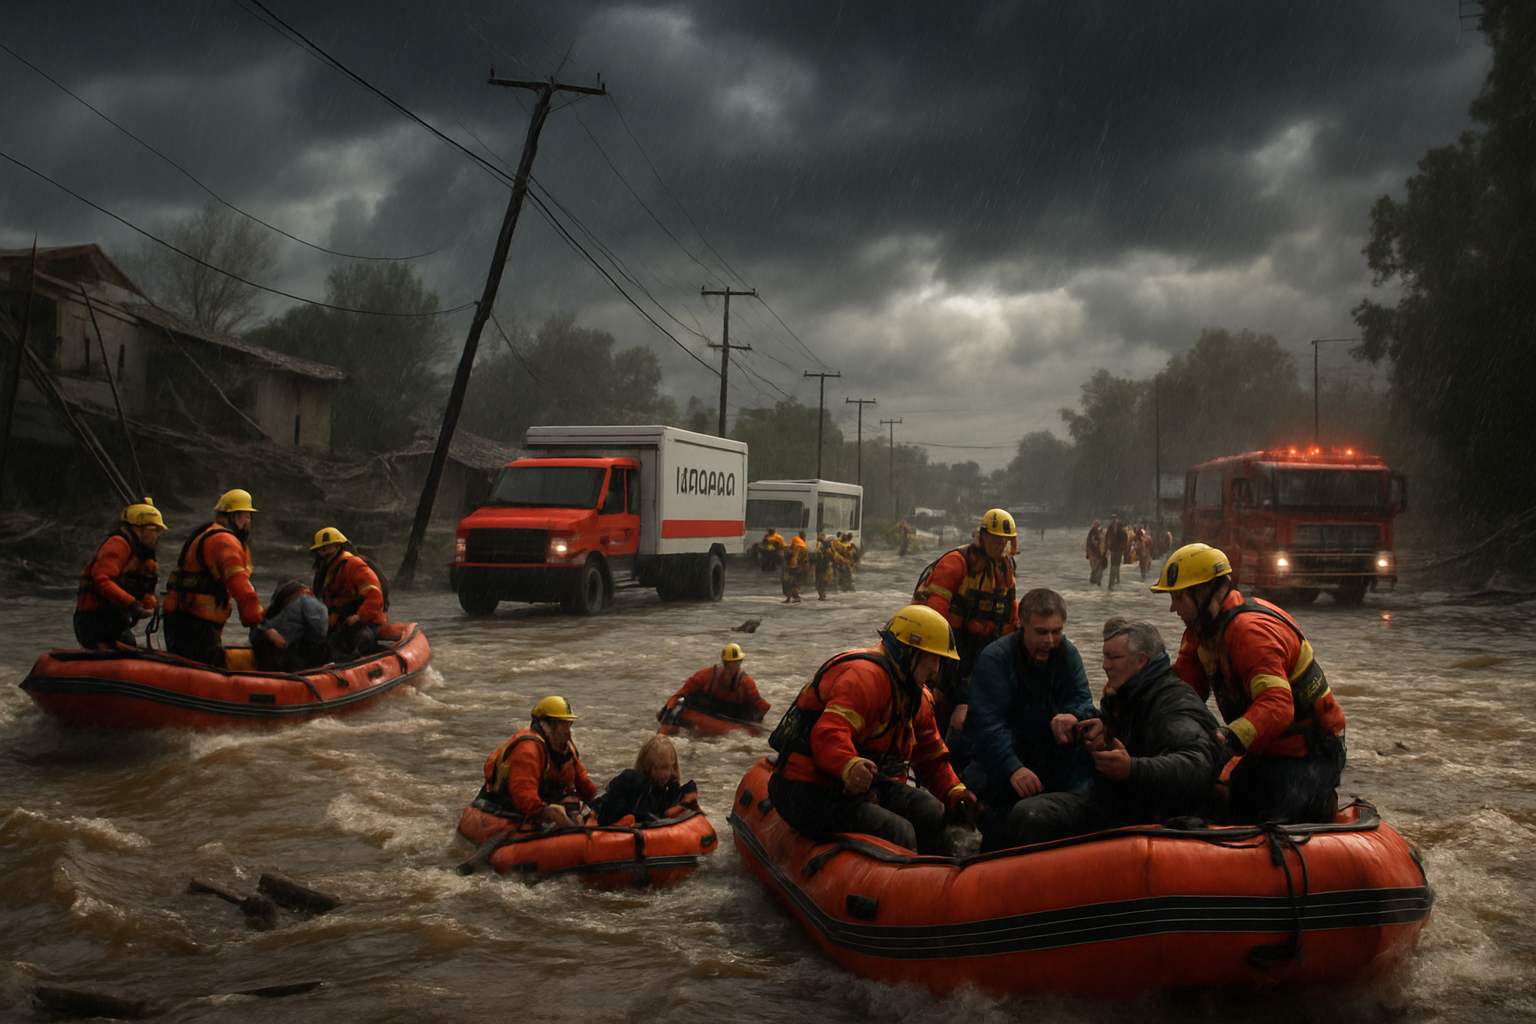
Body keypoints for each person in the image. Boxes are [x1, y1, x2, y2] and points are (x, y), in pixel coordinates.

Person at [1151, 543, 1348, 825]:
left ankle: (1321, 805)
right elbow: (1184, 692)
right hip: (1264, 753)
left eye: (1178, 597)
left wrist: (1229, 737)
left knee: (1278, 818)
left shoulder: (1250, 633)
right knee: (1232, 804)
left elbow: (1278, 706)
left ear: (1203, 592)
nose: (1172, 608)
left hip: (1309, 756)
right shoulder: (1200, 634)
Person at [768, 604, 977, 855]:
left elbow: (931, 755)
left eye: (940, 661)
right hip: (807, 790)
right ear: (908, 651)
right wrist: (849, 764)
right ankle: (896, 886)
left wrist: (955, 791)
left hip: (860, 786)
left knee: (931, 811)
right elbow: (829, 734)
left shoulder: (915, 696)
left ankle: (934, 878)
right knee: (898, 831)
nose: (936, 670)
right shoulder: (864, 677)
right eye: (933, 658)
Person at [1005, 618, 1224, 845]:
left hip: (1156, 812)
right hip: (1119, 801)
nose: (1104, 666)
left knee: (1032, 816)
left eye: (1114, 658)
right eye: (1104, 657)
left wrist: (1132, 769)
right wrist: (1104, 732)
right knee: (1029, 814)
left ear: (1141, 660)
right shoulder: (1123, 695)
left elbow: (1198, 763)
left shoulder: (1174, 702)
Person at [962, 588, 1099, 850]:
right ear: (1021, 625)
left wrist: (1074, 715)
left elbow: (1084, 700)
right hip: (1000, 760)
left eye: (1056, 631)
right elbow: (989, 725)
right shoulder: (995, 659)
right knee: (1002, 817)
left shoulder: (1068, 654)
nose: (1050, 640)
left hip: (1047, 754)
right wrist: (1013, 767)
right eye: (1041, 632)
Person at [913, 508, 1019, 768]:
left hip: (980, 647)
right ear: (982, 535)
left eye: (1004, 540)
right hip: (946, 643)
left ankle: (960, 766)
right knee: (935, 701)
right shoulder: (957, 562)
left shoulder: (1005, 567)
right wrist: (935, 662)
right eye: (995, 538)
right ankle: (925, 761)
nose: (1000, 544)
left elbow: (1009, 613)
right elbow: (933, 616)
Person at [161, 489, 264, 667]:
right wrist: (255, 620)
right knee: (201, 669)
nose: (248, 521)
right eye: (246, 515)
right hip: (195, 623)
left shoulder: (209, 533)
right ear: (233, 515)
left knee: (188, 667)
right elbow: (239, 584)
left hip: (183, 619)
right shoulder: (224, 541)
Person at [478, 696, 599, 829]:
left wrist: (598, 802)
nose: (568, 730)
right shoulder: (527, 750)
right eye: (563, 724)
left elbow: (584, 784)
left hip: (544, 802)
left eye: (570, 724)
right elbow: (524, 796)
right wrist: (546, 813)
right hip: (507, 807)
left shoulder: (567, 750)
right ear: (546, 725)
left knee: (571, 803)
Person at [74, 498, 166, 649]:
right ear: (139, 529)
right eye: (154, 530)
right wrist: (132, 604)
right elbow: (102, 580)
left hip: (112, 619)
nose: (156, 537)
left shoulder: (139, 551)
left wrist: (151, 604)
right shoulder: (119, 543)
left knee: (129, 646)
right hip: (95, 619)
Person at [309, 527, 386, 661]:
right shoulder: (323, 570)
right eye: (320, 549)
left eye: (327, 548)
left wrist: (359, 617)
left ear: (338, 547)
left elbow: (375, 596)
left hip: (364, 622)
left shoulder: (354, 565)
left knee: (352, 645)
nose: (322, 552)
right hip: (339, 620)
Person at [594, 735, 700, 826]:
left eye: (669, 767)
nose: (665, 774)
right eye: (660, 768)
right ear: (646, 767)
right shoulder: (636, 785)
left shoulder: (668, 792)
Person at [660, 643, 771, 723]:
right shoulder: (707, 675)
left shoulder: (746, 683)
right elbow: (683, 691)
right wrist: (669, 707)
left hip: (732, 715)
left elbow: (760, 705)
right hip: (706, 710)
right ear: (723, 662)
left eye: (733, 664)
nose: (729, 669)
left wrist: (755, 724)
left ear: (739, 663)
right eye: (727, 664)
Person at [250, 579, 329, 672]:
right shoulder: (311, 604)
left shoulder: (296, 605)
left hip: (291, 661)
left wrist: (267, 634)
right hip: (303, 658)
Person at [782, 530, 808, 603]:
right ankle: (792, 598)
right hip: (799, 568)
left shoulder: (797, 544)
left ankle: (792, 598)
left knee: (790, 583)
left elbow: (794, 557)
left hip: (794, 568)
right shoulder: (803, 546)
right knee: (794, 583)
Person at [1105, 513, 1129, 589]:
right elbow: (1107, 537)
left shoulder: (1120, 527)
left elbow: (1125, 537)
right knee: (1113, 565)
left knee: (1116, 565)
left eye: (1115, 518)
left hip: (1118, 549)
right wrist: (1107, 547)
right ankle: (1112, 581)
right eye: (1112, 518)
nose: (1114, 519)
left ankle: (1114, 580)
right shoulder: (1110, 528)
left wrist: (1122, 547)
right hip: (1113, 548)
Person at [813, 530, 835, 600]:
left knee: (823, 580)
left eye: (821, 536)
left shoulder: (827, 544)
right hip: (821, 565)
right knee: (820, 580)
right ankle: (821, 593)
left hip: (825, 565)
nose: (819, 537)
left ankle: (822, 593)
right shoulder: (817, 545)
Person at [1085, 520, 1106, 586]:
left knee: (1099, 566)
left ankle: (1098, 579)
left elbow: (1104, 543)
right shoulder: (1091, 535)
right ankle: (1095, 579)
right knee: (1095, 566)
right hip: (1093, 552)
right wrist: (1087, 552)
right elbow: (1088, 544)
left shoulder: (1101, 534)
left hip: (1099, 553)